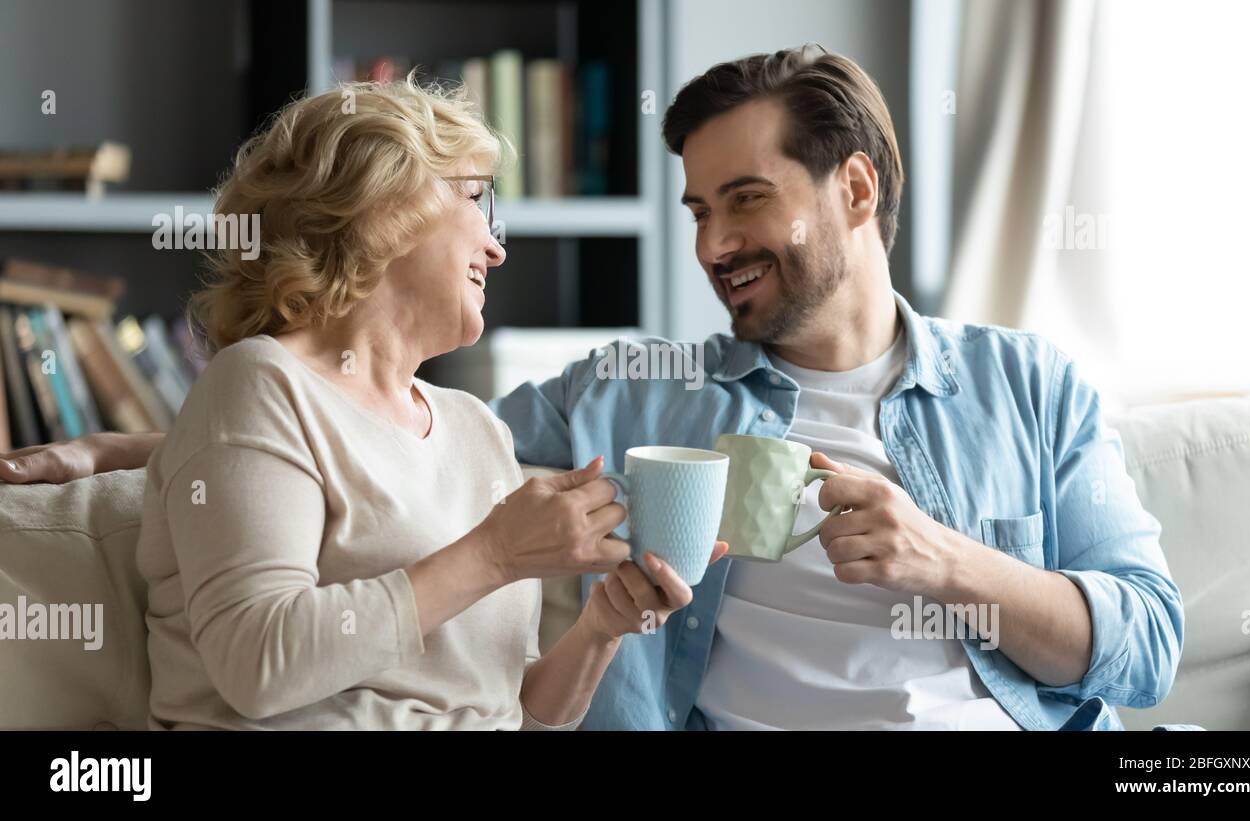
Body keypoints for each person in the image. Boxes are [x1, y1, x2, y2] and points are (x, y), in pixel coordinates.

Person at [3, 46, 1182, 731]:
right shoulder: (635, 394)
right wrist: (121, 450)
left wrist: (948, 563)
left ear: (856, 191)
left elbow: (1145, 649)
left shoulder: (1029, 385)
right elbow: (352, 433)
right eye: (695, 209)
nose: (712, 244)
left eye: (746, 200)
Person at [0, 77, 722, 730]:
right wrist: (496, 553)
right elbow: (260, 664)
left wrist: (600, 627)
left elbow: (518, 713)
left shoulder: (475, 430)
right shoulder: (258, 383)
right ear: (386, 203)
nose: (498, 249)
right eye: (475, 199)